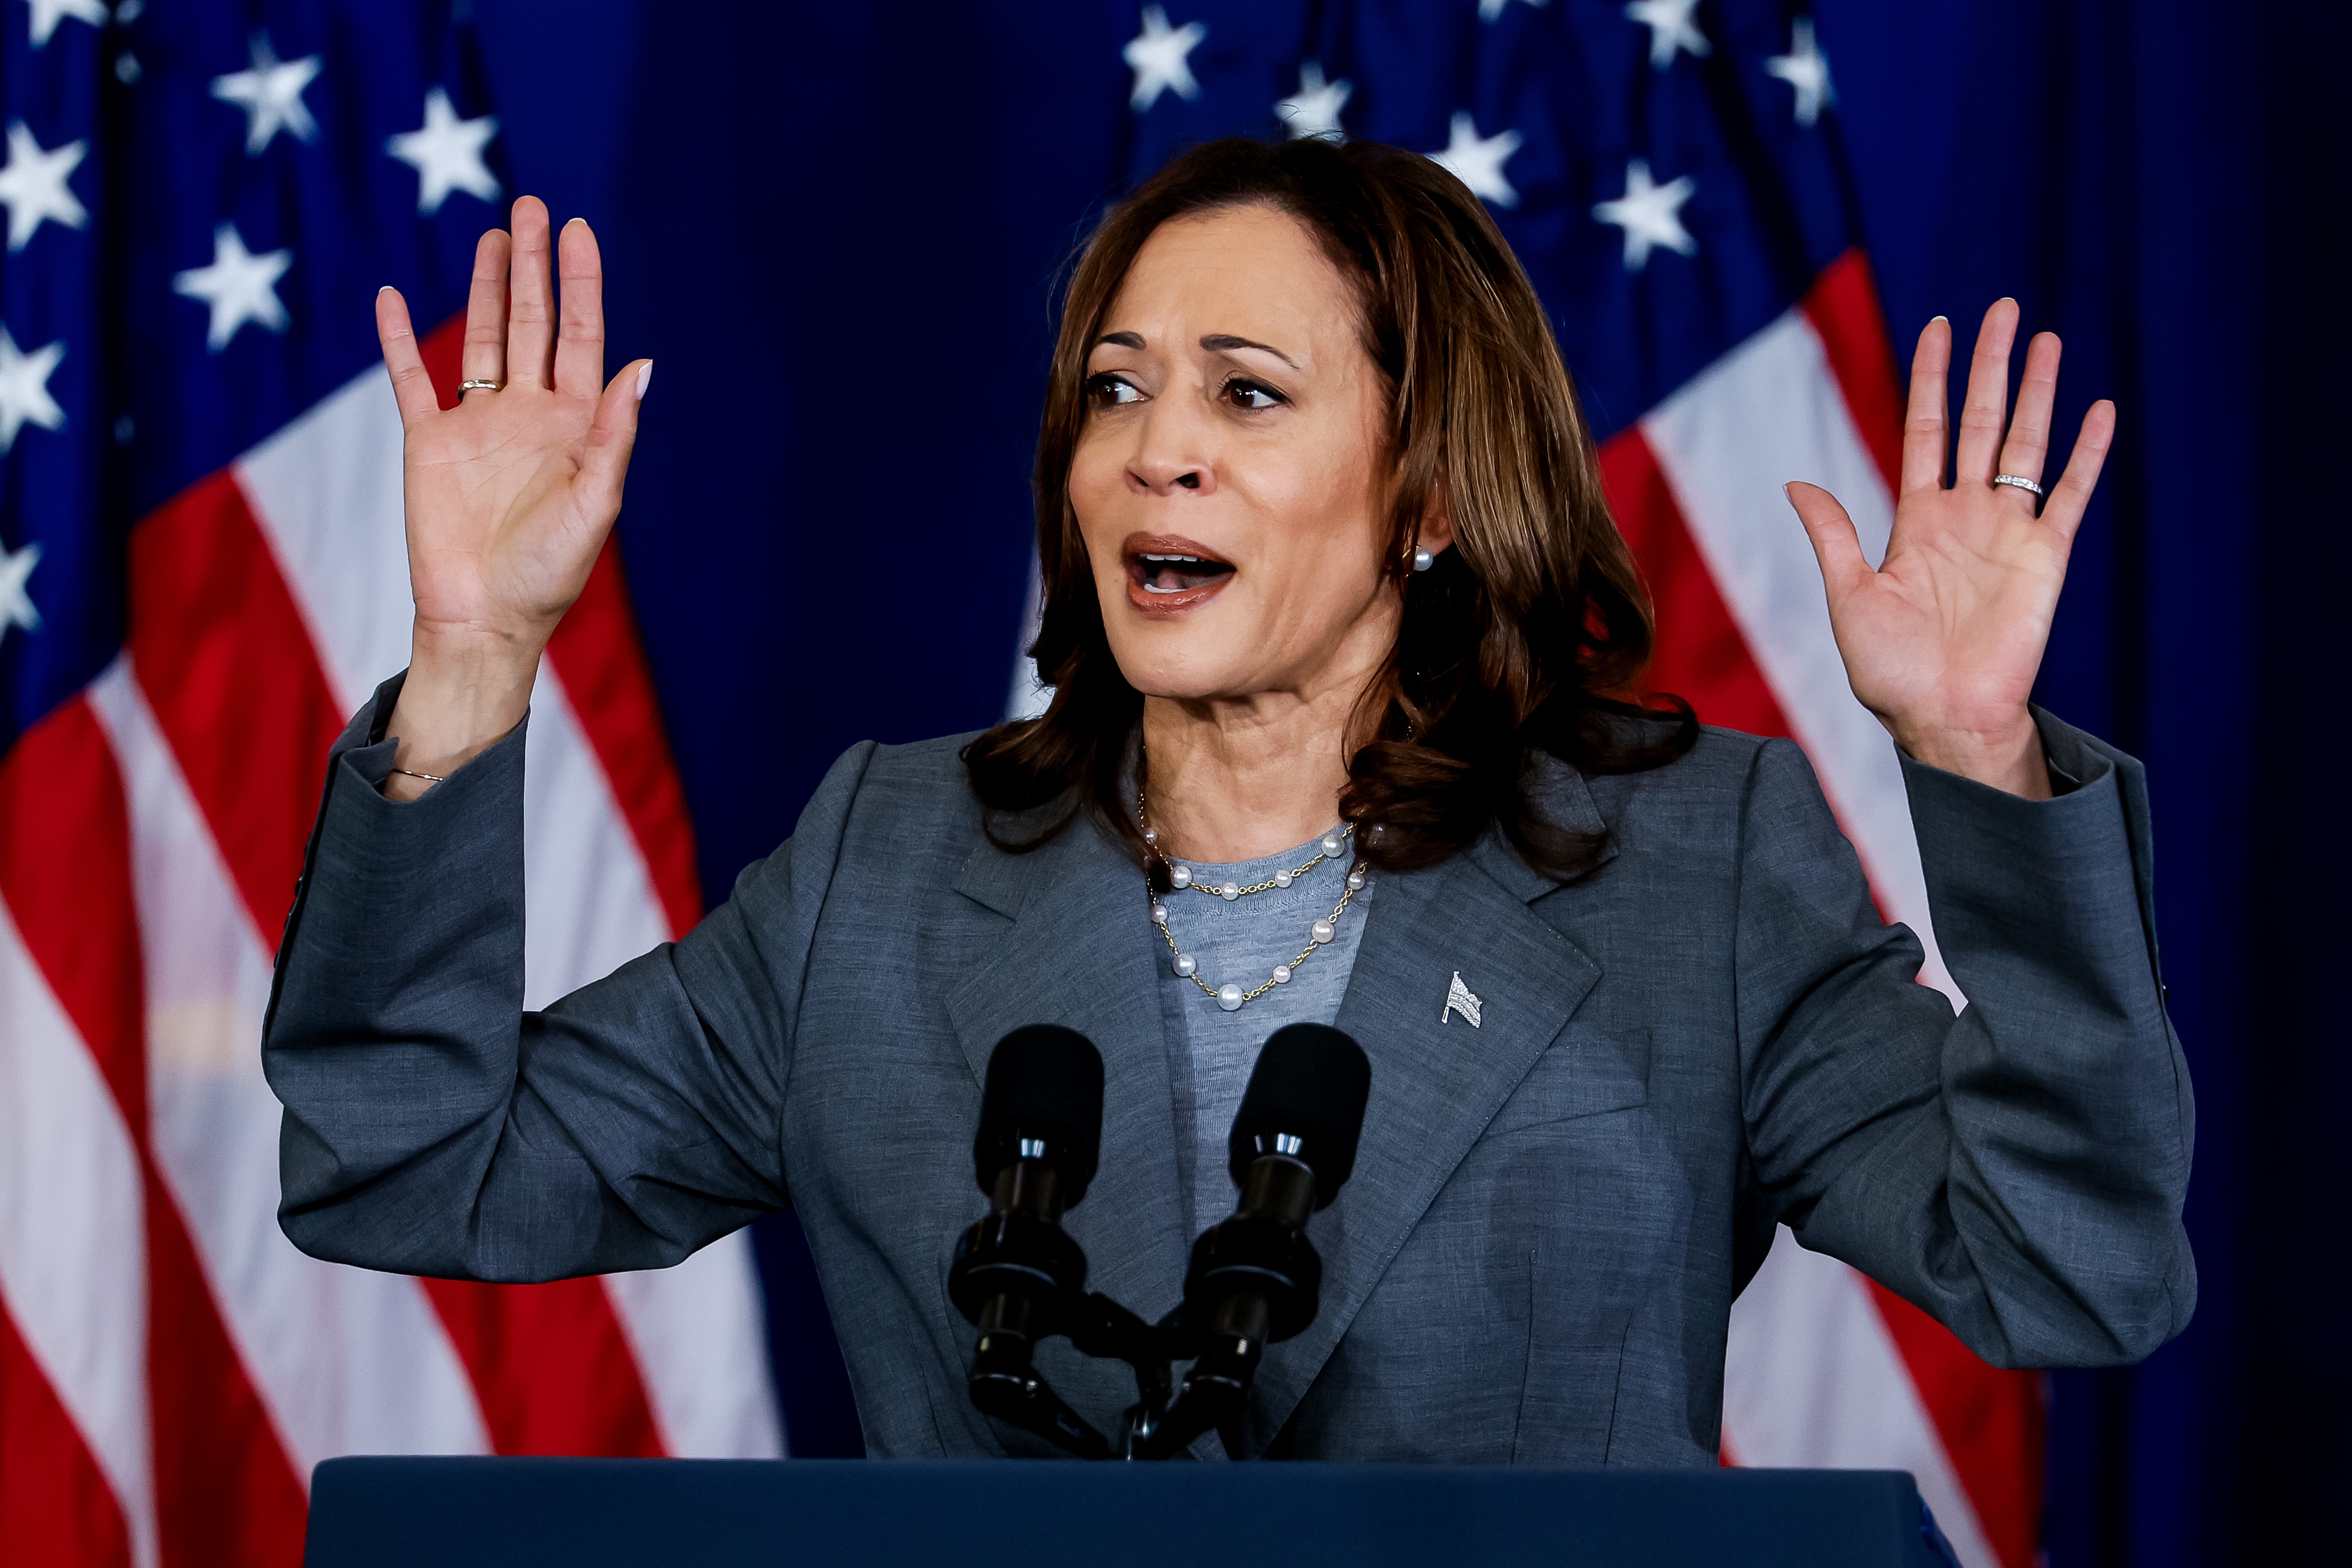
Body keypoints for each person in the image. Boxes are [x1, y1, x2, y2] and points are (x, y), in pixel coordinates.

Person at [264, 137, 2192, 1463]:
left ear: (1430, 495)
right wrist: (472, 662)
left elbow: (2065, 1267)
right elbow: (411, 1160)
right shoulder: (890, 861)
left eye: (1247, 395)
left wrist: (1974, 768)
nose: (1156, 450)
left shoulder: (1691, 863)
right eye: (1114, 391)